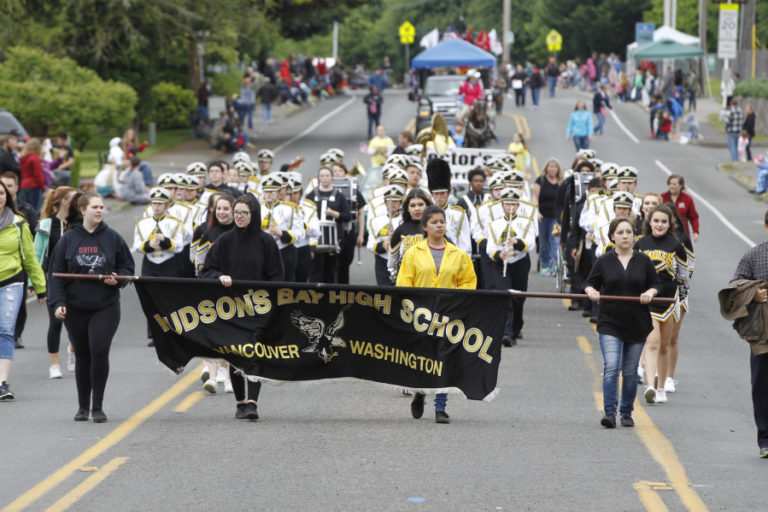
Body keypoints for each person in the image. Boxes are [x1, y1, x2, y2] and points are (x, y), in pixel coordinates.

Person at [49, 192, 135, 422]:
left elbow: (128, 268)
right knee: (83, 354)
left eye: (102, 207)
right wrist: (58, 303)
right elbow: (55, 275)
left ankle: (97, 406)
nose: (99, 210)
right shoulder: (68, 239)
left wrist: (118, 278)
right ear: (83, 209)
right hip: (75, 307)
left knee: (99, 350)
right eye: (95, 207)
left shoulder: (112, 237)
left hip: (105, 305)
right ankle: (82, 406)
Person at [201, 195, 284, 420]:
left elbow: (277, 276)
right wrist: (220, 276)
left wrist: (269, 300)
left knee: (254, 355)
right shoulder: (224, 241)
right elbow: (206, 270)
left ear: (253, 215)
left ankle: (252, 403)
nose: (238, 216)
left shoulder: (266, 242)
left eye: (244, 213)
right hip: (231, 308)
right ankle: (239, 403)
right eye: (236, 212)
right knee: (236, 355)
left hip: (258, 308)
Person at [396, 205, 476, 424]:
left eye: (442, 221)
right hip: (421, 315)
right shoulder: (413, 253)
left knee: (445, 359)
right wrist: (413, 306)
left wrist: (458, 301)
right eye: (434, 222)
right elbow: (404, 282)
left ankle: (440, 407)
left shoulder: (458, 254)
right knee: (424, 359)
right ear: (425, 227)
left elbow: (468, 281)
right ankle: (420, 393)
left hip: (448, 315)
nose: (440, 225)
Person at [584, 216, 662, 428]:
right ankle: (609, 413)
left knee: (629, 372)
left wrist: (650, 292)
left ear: (634, 236)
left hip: (637, 323)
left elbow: (656, 283)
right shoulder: (604, 261)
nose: (625, 236)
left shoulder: (643, 261)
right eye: (620, 233)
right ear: (612, 237)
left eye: (629, 232)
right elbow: (590, 282)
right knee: (611, 367)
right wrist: (591, 291)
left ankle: (626, 411)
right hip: (610, 322)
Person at [634, 205, 688, 405]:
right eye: (656, 221)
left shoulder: (676, 245)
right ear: (649, 222)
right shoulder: (640, 244)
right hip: (648, 300)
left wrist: (681, 300)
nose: (659, 225)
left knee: (664, 346)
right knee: (652, 342)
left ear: (669, 224)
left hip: (669, 300)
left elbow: (685, 275)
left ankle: (661, 386)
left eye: (664, 221)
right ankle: (650, 386)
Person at [0, 180, 47, 400]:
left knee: (6, 330)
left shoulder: (18, 223)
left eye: (1, 193)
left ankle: (2, 383)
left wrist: (40, 287)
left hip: (11, 281)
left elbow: (30, 258)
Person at [729, 211, 768, 457]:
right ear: (766, 225)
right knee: (761, 385)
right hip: (762, 333)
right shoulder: (754, 256)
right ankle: (765, 439)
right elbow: (734, 286)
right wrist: (753, 293)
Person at [192, 193, 235, 393]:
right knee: (209, 331)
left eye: (226, 209)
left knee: (228, 332)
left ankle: (227, 374)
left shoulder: (238, 231)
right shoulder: (204, 231)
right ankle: (212, 371)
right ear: (212, 210)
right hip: (209, 286)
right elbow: (197, 261)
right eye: (219, 208)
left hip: (233, 288)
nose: (222, 212)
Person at [34, 186, 77, 379]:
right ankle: (54, 364)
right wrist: (33, 282)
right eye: (73, 198)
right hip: (53, 279)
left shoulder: (78, 223)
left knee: (75, 322)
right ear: (62, 201)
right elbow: (36, 253)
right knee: (56, 321)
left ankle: (73, 349)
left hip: (75, 279)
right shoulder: (46, 224)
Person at [485, 188, 536, 346]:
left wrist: (517, 242)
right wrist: (498, 254)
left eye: (514, 203)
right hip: (502, 264)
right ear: (502, 205)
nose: (511, 207)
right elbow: (490, 247)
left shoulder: (526, 222)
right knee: (506, 296)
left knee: (518, 298)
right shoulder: (494, 224)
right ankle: (507, 333)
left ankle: (516, 326)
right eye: (508, 203)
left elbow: (531, 244)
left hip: (520, 262)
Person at [308, 168, 349, 283]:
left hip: (334, 239)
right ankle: (315, 298)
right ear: (318, 178)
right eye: (322, 176)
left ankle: (329, 298)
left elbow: (347, 216)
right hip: (316, 239)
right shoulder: (311, 195)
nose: (325, 178)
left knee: (331, 270)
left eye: (327, 175)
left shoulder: (339, 196)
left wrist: (334, 214)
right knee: (316, 270)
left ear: (332, 177)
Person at [389, 188, 432, 280]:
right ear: (407, 208)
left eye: (420, 204)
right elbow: (391, 263)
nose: (417, 208)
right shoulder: (400, 231)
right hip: (407, 282)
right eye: (412, 205)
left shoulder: (435, 229)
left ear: (427, 206)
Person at [532, 158, 563, 275]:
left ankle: (556, 265)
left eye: (555, 167)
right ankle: (545, 265)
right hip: (543, 217)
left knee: (555, 240)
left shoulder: (560, 182)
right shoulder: (541, 181)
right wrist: (537, 211)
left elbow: (563, 200)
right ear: (547, 168)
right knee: (544, 243)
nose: (553, 169)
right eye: (551, 166)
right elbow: (535, 197)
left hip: (555, 218)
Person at [661, 174, 699, 242]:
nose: (671, 186)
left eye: (674, 184)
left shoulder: (687, 199)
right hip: (665, 233)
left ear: (681, 185)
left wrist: (695, 231)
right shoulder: (663, 197)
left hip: (682, 234)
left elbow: (693, 217)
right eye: (670, 184)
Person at [725, 98, 745, 162]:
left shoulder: (730, 111)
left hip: (731, 131)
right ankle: (736, 159)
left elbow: (727, 122)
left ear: (731, 104)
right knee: (737, 147)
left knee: (731, 146)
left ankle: (734, 160)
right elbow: (743, 121)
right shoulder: (741, 111)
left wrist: (726, 128)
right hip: (738, 131)